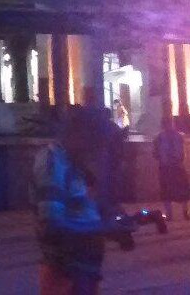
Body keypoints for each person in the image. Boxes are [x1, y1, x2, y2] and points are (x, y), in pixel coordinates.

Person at [32, 107, 137, 294]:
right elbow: (51, 225)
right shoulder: (53, 163)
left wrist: (118, 228)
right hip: (65, 276)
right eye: (96, 143)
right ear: (78, 134)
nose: (98, 151)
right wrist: (105, 228)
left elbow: (87, 212)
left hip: (84, 273)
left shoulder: (75, 163)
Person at [154, 116, 190, 222]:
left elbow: (183, 151)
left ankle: (181, 213)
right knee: (170, 192)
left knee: (180, 191)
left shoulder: (175, 137)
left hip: (173, 166)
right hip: (170, 167)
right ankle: (174, 214)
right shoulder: (161, 137)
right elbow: (155, 152)